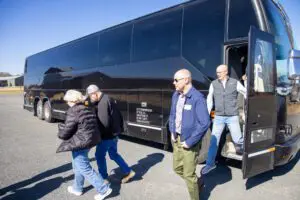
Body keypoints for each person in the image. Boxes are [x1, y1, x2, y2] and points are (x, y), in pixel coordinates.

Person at [56, 89, 112, 200]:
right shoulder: (87, 107)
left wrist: (60, 132)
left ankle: (104, 189)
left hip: (80, 142)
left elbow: (67, 130)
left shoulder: (73, 110)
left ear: (72, 100)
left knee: (84, 167)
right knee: (77, 166)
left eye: (68, 101)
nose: (67, 103)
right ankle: (77, 188)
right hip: (89, 141)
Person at [169, 69, 210, 200]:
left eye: (176, 80)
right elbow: (172, 115)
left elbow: (204, 123)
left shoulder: (197, 98)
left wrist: (190, 141)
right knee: (177, 168)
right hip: (177, 138)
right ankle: (197, 182)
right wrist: (172, 131)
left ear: (186, 80)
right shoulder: (176, 95)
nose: (173, 82)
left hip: (189, 142)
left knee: (188, 174)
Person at [201, 64, 246, 175]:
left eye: (220, 72)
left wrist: (246, 110)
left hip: (232, 116)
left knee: (238, 140)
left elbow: (245, 93)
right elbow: (209, 99)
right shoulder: (214, 84)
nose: (218, 74)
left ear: (226, 72)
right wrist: (207, 113)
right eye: (217, 73)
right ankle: (210, 164)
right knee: (213, 141)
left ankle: (250, 158)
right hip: (219, 117)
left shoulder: (235, 82)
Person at [86, 84, 135, 184]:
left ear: (94, 93)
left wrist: (95, 135)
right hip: (114, 134)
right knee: (113, 154)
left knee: (99, 156)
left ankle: (103, 178)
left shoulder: (102, 103)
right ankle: (128, 171)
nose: (90, 98)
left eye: (90, 96)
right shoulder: (107, 98)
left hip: (107, 136)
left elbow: (104, 123)